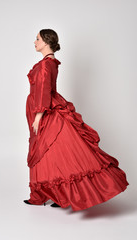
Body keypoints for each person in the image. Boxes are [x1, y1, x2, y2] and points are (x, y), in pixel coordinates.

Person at [24, 29, 129, 211]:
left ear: (46, 41)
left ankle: (46, 195)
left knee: (46, 153)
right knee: (53, 155)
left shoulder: (44, 66)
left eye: (37, 38)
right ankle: (57, 194)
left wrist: (38, 116)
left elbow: (43, 90)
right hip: (50, 109)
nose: (34, 41)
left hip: (46, 112)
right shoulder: (51, 63)